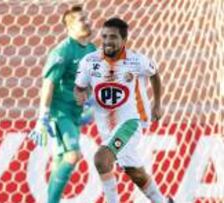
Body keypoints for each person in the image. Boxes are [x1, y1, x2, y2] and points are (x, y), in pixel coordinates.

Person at [74, 17, 173, 203]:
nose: (107, 41)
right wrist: (80, 97)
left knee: (101, 159)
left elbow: (155, 74)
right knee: (134, 171)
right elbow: (79, 87)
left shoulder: (137, 61)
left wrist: (157, 104)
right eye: (104, 36)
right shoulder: (89, 61)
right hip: (106, 127)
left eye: (113, 37)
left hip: (131, 122)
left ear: (124, 40)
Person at [28, 5, 96, 203]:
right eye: (82, 19)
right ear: (70, 27)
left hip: (75, 114)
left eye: (87, 18)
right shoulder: (63, 51)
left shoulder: (92, 50)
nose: (87, 21)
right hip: (60, 113)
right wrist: (43, 117)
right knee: (73, 155)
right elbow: (48, 83)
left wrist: (91, 105)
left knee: (61, 160)